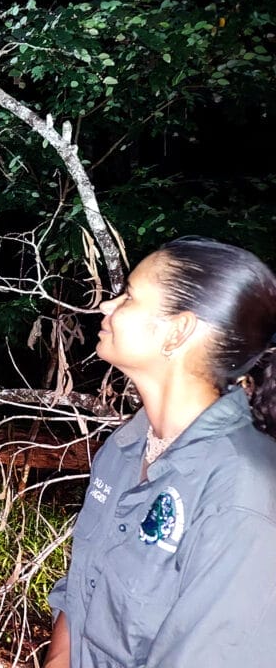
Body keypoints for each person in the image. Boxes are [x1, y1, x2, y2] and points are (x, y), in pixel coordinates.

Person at [44, 237, 276, 667]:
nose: (106, 307)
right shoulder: (126, 448)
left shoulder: (241, 492)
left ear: (178, 331)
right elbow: (81, 589)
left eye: (129, 297)